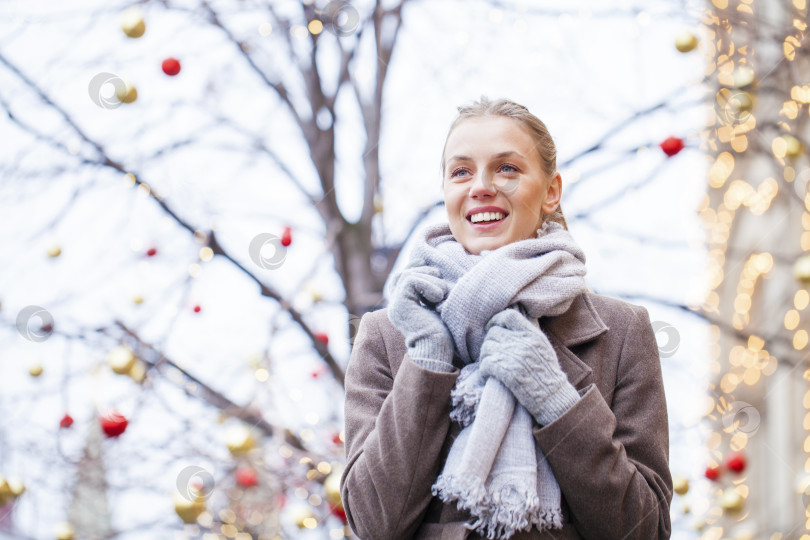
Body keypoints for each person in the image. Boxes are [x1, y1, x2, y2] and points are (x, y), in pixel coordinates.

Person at [340, 96, 672, 539]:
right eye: (461, 171)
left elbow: (644, 530)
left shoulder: (622, 332)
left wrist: (556, 399)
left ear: (551, 191)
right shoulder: (389, 333)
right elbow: (373, 523)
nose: (480, 186)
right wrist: (429, 362)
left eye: (507, 168)